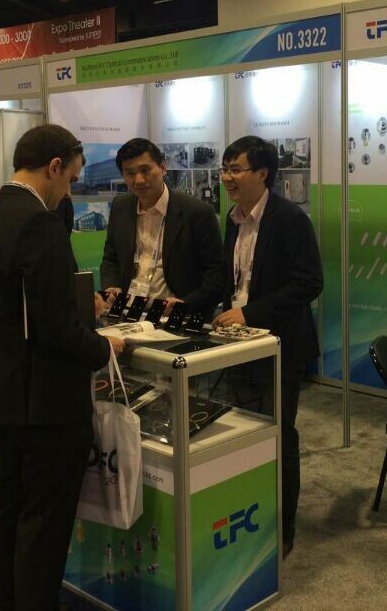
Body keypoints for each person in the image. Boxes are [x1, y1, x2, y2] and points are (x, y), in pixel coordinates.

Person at [0, 124, 125, 611]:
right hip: (46, 405)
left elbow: (19, 309)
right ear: (54, 166)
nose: (69, 192)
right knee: (44, 526)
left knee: (11, 507)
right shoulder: (39, 223)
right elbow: (55, 328)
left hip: (4, 395)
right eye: (71, 179)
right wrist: (104, 349)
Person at [212, 135, 323, 558]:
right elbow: (235, 280)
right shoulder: (233, 219)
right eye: (225, 169)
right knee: (242, 430)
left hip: (280, 345)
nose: (227, 177)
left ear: (262, 173)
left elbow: (309, 283)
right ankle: (248, 514)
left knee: (279, 434)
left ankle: (283, 529)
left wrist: (250, 313)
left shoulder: (289, 219)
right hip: (238, 344)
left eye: (235, 169)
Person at [100, 138, 225, 316]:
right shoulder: (120, 207)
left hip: (174, 315)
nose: (139, 180)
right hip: (129, 312)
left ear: (163, 168)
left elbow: (217, 274)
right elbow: (111, 259)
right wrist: (111, 286)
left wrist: (185, 305)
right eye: (130, 173)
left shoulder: (197, 212)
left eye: (145, 170)